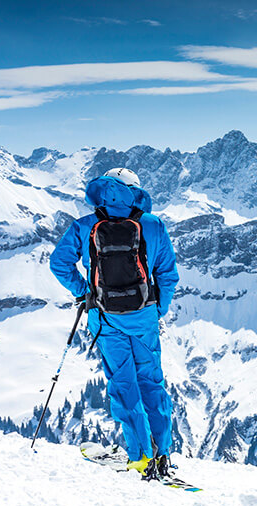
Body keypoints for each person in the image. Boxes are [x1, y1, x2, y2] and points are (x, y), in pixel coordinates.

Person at [49, 168, 179, 478]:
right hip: (144, 318)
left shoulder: (85, 226)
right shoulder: (153, 225)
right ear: (135, 192)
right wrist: (156, 309)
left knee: (124, 385)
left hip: (106, 319)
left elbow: (59, 263)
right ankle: (162, 456)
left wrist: (85, 292)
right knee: (152, 383)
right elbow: (168, 274)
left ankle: (140, 457)